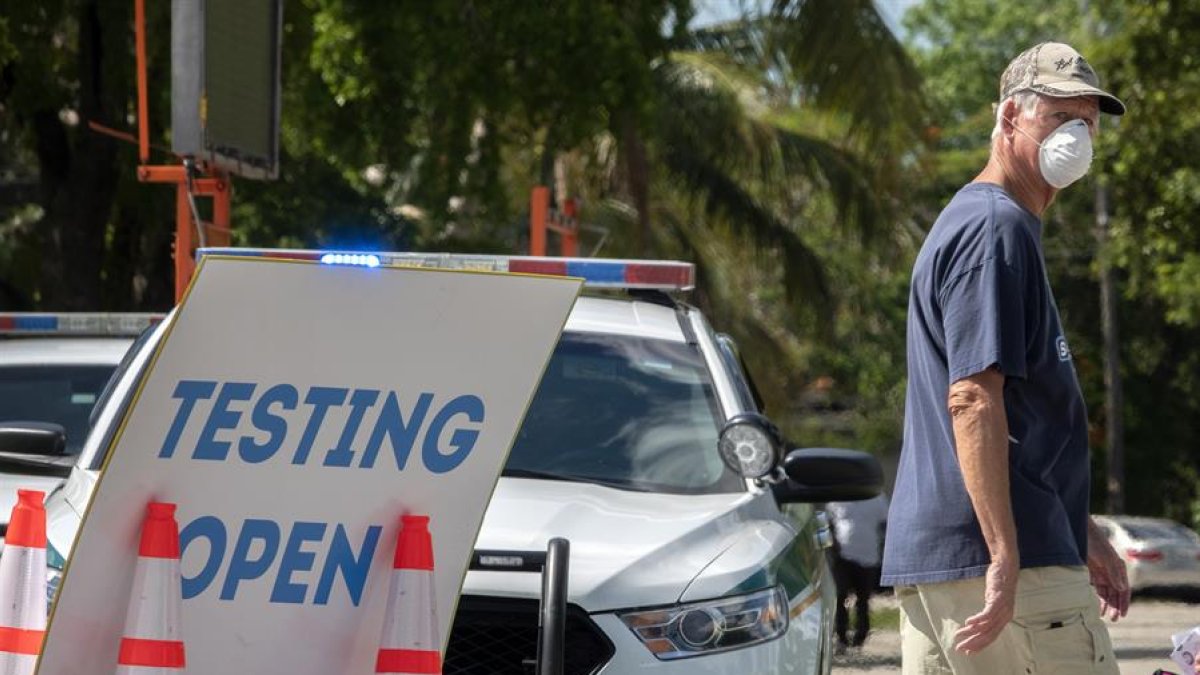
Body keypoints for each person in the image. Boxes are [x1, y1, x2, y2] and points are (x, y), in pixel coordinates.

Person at [880, 42, 1132, 675]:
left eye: (1087, 123)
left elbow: (1023, 417)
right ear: (1009, 119)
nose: (1075, 136)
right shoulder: (997, 229)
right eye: (1058, 117)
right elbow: (971, 397)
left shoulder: (984, 223)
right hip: (1005, 569)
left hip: (961, 561)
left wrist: (1082, 529)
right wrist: (1004, 555)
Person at [827, 493, 889, 651]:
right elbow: (829, 523)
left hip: (869, 557)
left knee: (863, 600)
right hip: (842, 557)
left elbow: (886, 524)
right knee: (840, 596)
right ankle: (841, 636)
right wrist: (832, 546)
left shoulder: (877, 497)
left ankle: (860, 636)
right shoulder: (837, 498)